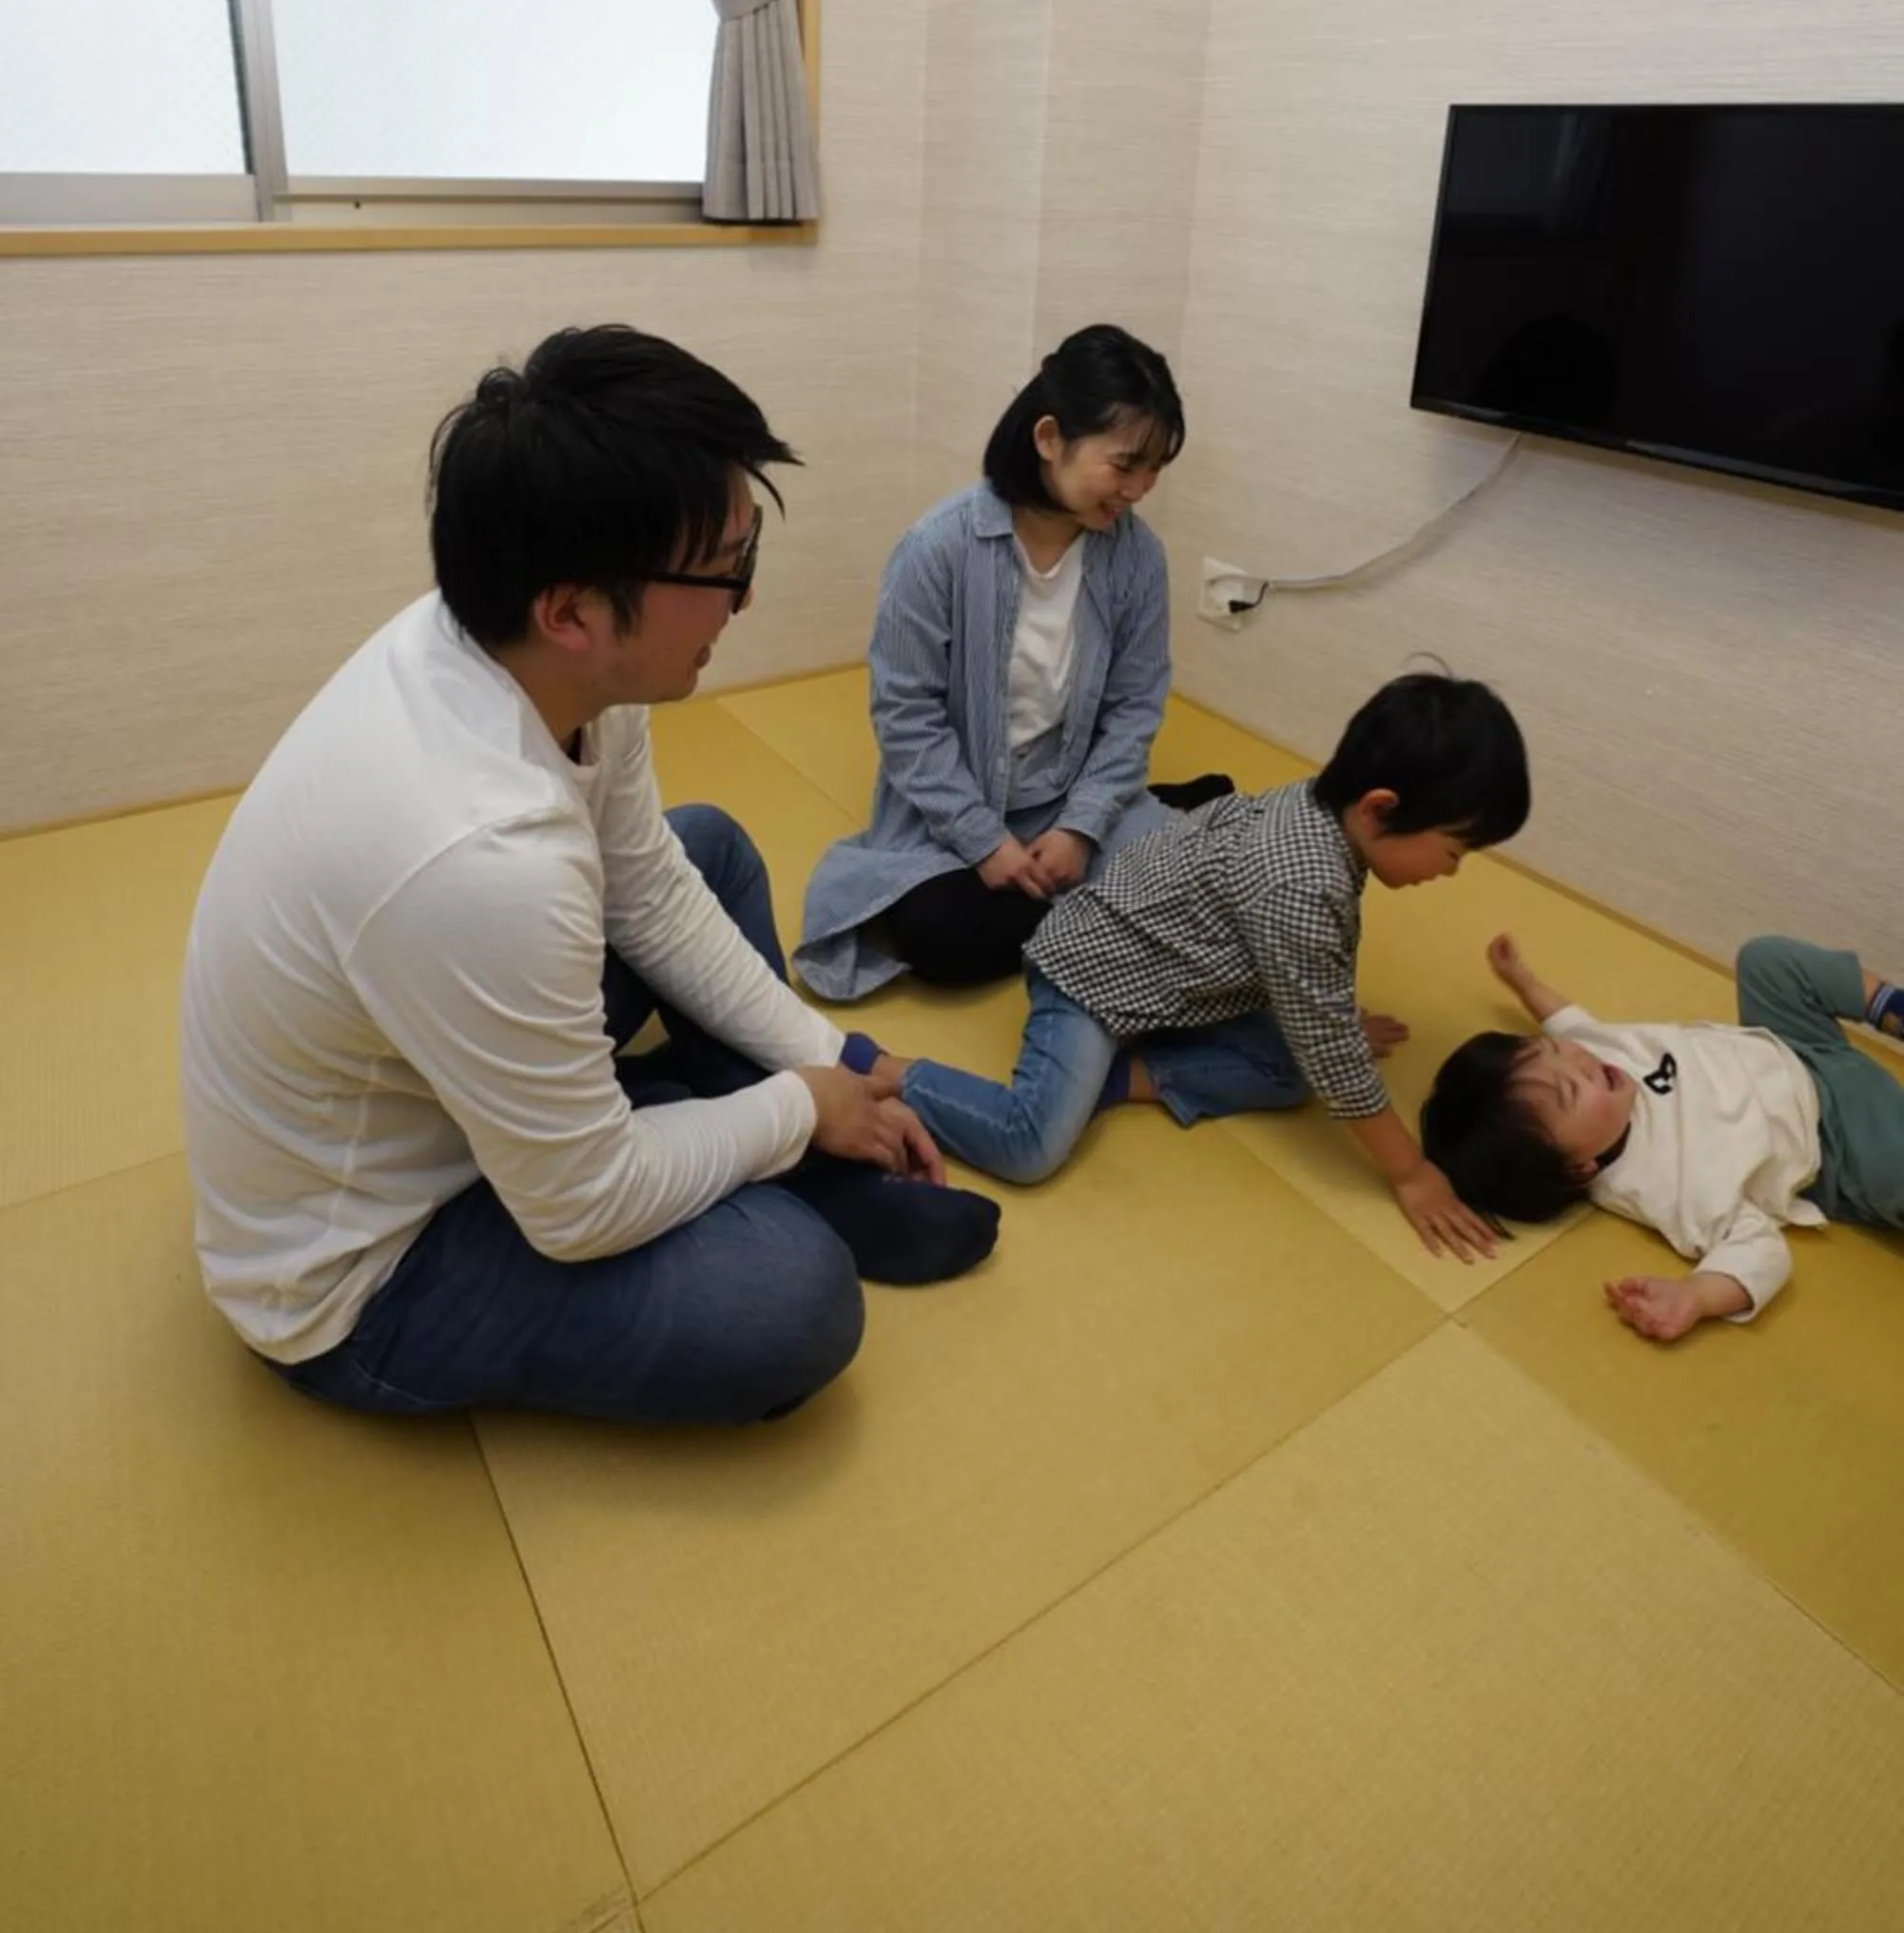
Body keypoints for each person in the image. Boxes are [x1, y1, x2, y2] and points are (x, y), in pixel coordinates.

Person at [181, 326, 998, 1430]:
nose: (743, 604)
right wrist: (795, 1108)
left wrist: (835, 1055)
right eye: (725, 574)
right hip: (366, 1265)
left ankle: (760, 1135)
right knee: (795, 1301)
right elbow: (579, 1209)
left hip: (445, 1066)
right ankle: (766, 1147)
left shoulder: (532, 659)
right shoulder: (479, 858)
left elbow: (651, 889)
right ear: (571, 610)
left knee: (701, 847)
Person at [878, 672, 1529, 1260]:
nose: (1450, 872)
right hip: (1090, 977)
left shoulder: (1320, 808)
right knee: (1030, 1145)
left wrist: (1332, 1023)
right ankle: (882, 1072)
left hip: (1177, 981)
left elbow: (1311, 990)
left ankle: (1111, 1082)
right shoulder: (1298, 880)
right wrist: (1411, 1171)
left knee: (1292, 1072)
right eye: (1452, 852)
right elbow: (1329, 1042)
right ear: (1379, 807)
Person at [797, 325, 1219, 1000]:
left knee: (1204, 893)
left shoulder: (1138, 558)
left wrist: (1081, 826)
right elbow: (907, 719)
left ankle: (1138, 830)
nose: (1139, 488)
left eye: (1155, 469)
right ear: (1049, 438)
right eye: (1124, 464)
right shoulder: (938, 548)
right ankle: (1148, 841)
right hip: (955, 804)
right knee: (939, 937)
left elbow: (1135, 704)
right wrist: (984, 841)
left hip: (1069, 789)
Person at [1420, 930, 1904, 1338]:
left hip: (1798, 1047)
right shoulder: (1663, 1185)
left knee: (1767, 960)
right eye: (1569, 1090)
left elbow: (1571, 1024)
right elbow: (1760, 1250)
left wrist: (1523, 982)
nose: (1580, 1061)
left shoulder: (1596, 1059)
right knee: (1892, 1167)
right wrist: (1696, 1295)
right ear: (1579, 1165)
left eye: (1553, 1052)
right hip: (1839, 1143)